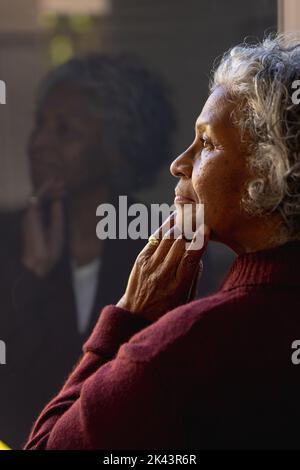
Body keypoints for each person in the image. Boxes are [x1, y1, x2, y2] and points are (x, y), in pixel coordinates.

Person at [25, 33, 300, 450]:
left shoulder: (183, 346)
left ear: (270, 171)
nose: (180, 163)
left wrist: (130, 318)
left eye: (206, 143)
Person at [0, 54, 175, 448]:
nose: (39, 142)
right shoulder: (7, 237)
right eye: (40, 124)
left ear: (118, 149)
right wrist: (32, 276)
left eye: (65, 131)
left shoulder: (156, 243)